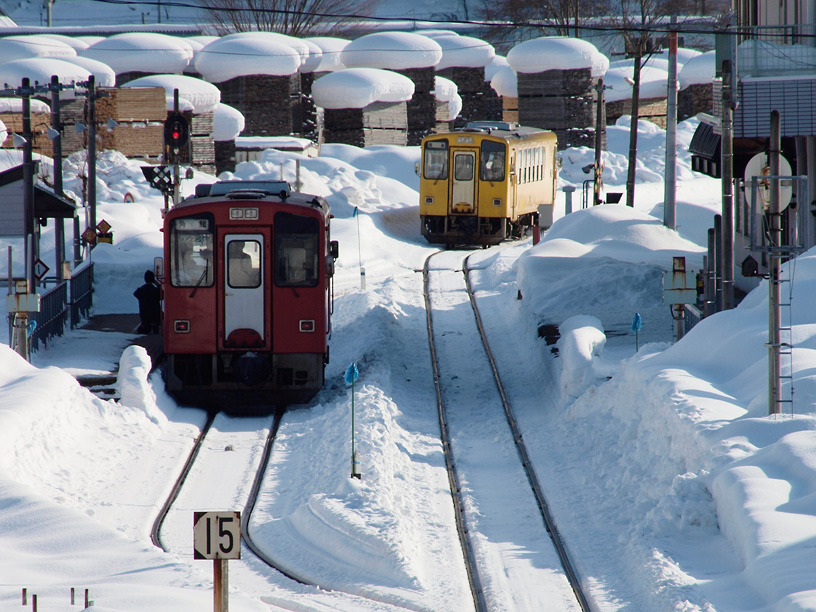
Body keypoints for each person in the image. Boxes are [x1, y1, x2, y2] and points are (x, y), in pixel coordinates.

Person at [134, 270, 162, 334]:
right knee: (157, 320)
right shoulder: (155, 290)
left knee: (145, 329)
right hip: (155, 313)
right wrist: (158, 285)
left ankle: (146, 327)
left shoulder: (141, 290)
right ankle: (155, 326)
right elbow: (162, 294)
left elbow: (136, 293)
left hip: (144, 314)